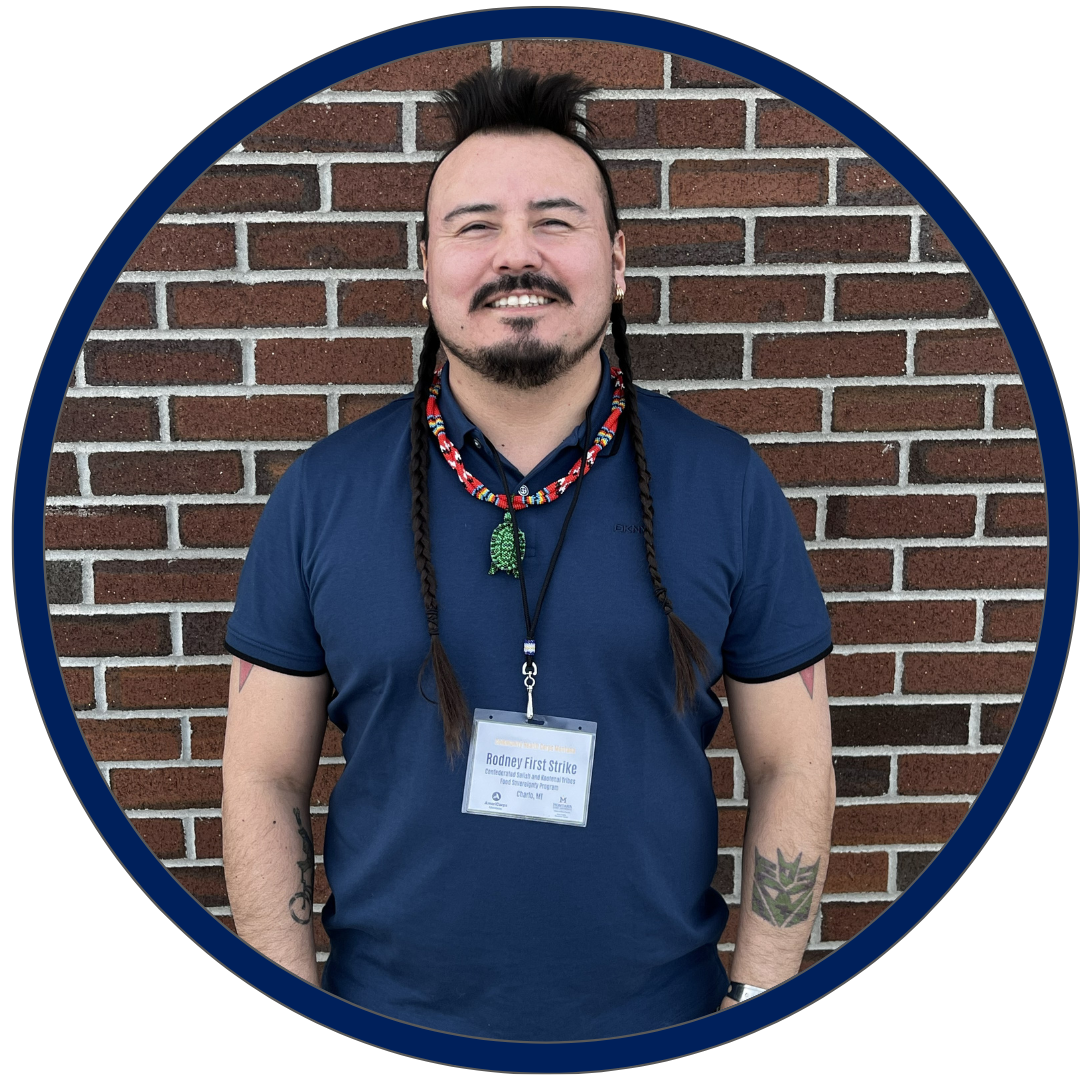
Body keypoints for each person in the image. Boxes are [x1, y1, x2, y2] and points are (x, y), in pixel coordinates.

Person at [221, 67, 835, 1041]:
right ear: (426, 271)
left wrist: (760, 1007)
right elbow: (262, 775)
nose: (518, 255)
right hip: (380, 1025)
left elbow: (793, 761)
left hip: (663, 1029)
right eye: (475, 227)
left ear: (619, 262)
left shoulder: (726, 484)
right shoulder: (321, 494)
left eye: (556, 221)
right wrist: (291, 1018)